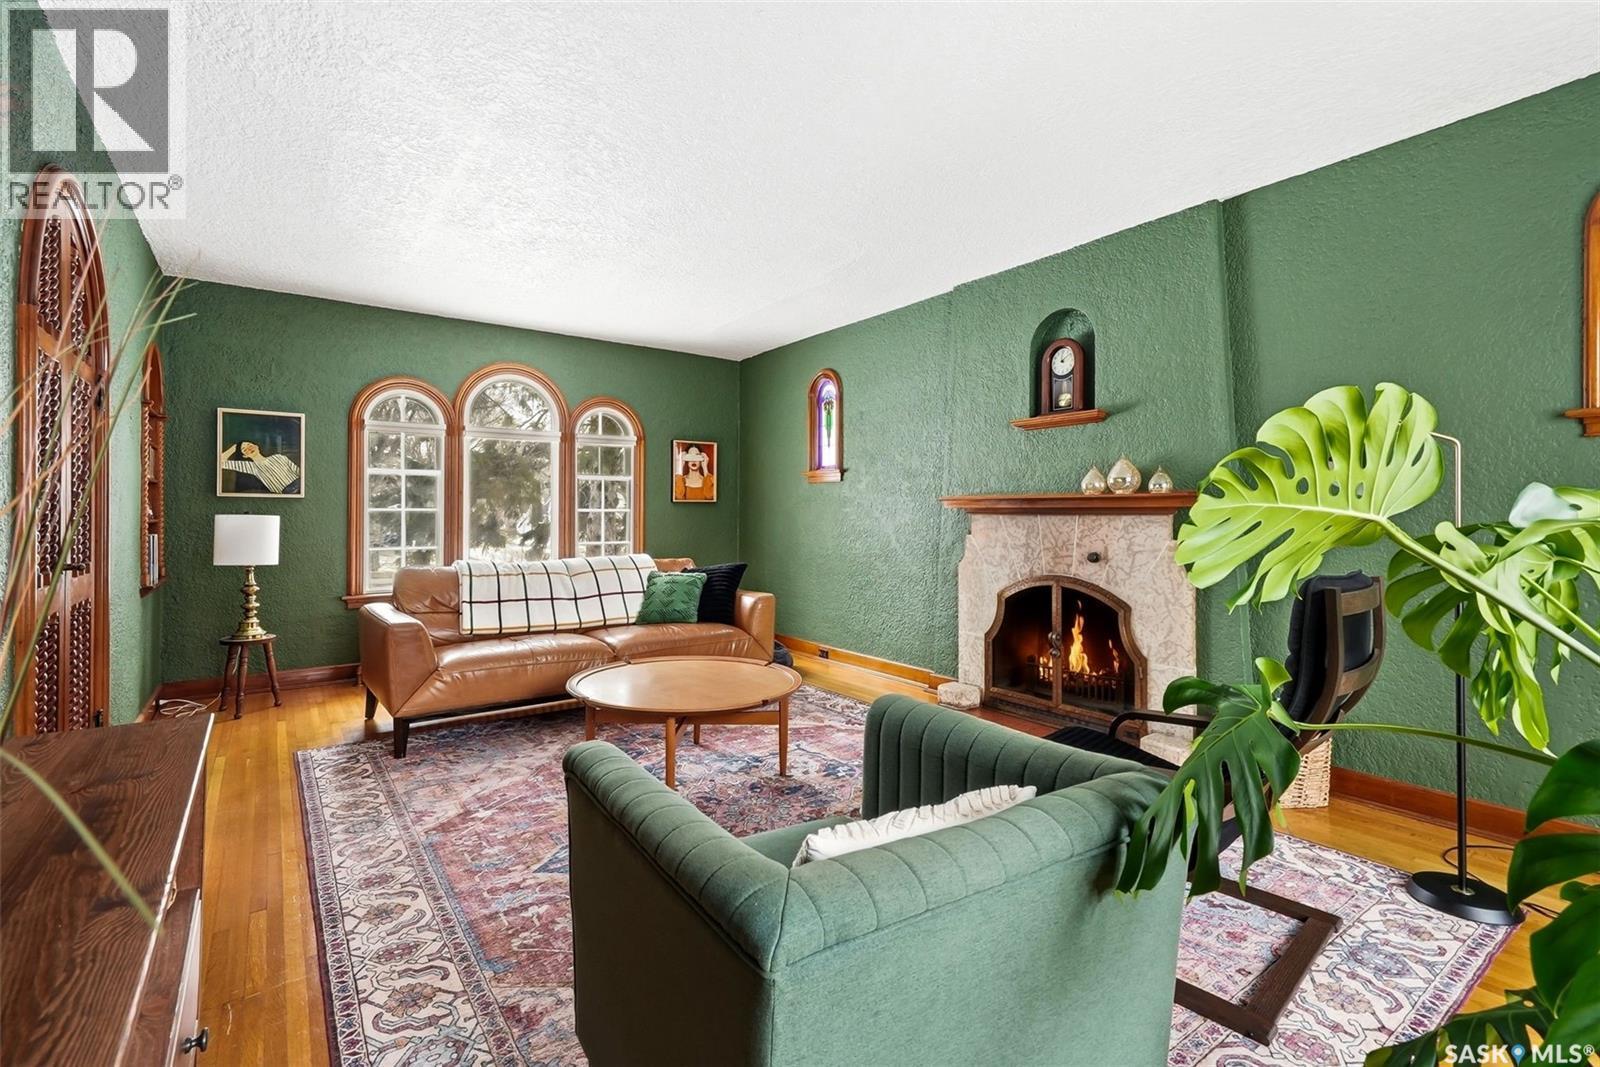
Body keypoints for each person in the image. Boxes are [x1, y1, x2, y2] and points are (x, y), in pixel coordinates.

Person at [220, 441, 301, 495]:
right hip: (286, 495)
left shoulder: (279, 457)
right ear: (245, 456)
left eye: (249, 444)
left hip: (300, 486)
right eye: (244, 449)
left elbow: (299, 472)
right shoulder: (251, 467)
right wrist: (234, 447)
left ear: (256, 446)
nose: (248, 448)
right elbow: (220, 463)